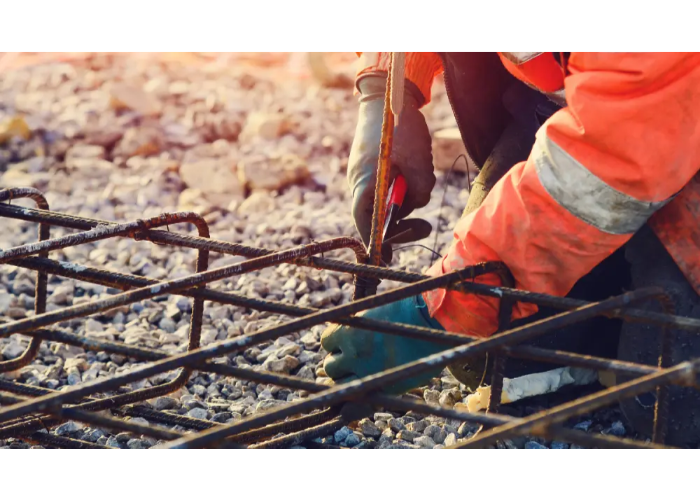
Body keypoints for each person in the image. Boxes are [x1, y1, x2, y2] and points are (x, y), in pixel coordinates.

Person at [321, 51, 700, 447]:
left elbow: (612, 157)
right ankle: (619, 292)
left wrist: (439, 309)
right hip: (588, 102)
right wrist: (390, 85)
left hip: (649, 117)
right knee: (486, 355)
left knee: (668, 405)